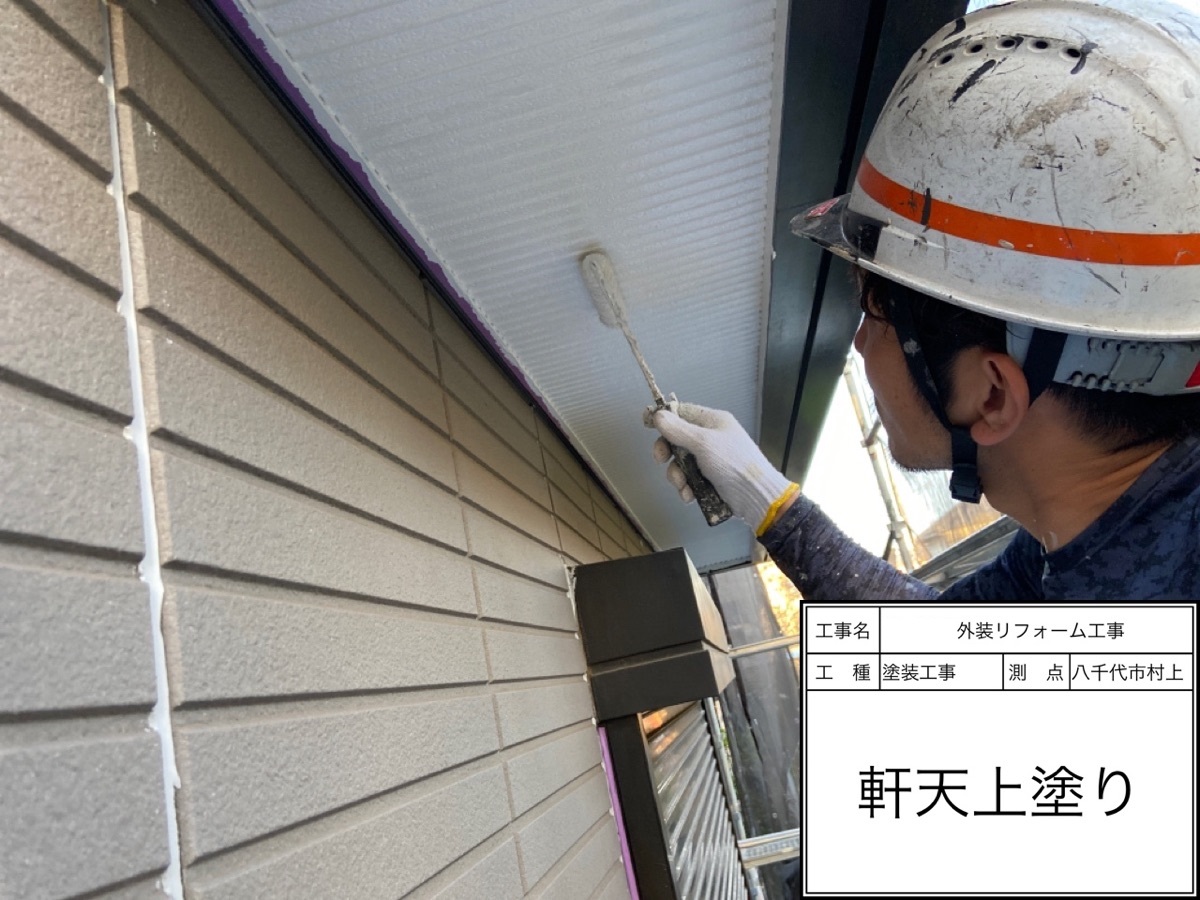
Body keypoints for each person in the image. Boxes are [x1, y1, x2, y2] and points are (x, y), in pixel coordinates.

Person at [649, 0, 1200, 599]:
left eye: (876, 314)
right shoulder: (1090, 543)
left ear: (993, 394)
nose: (859, 343)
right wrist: (766, 499)